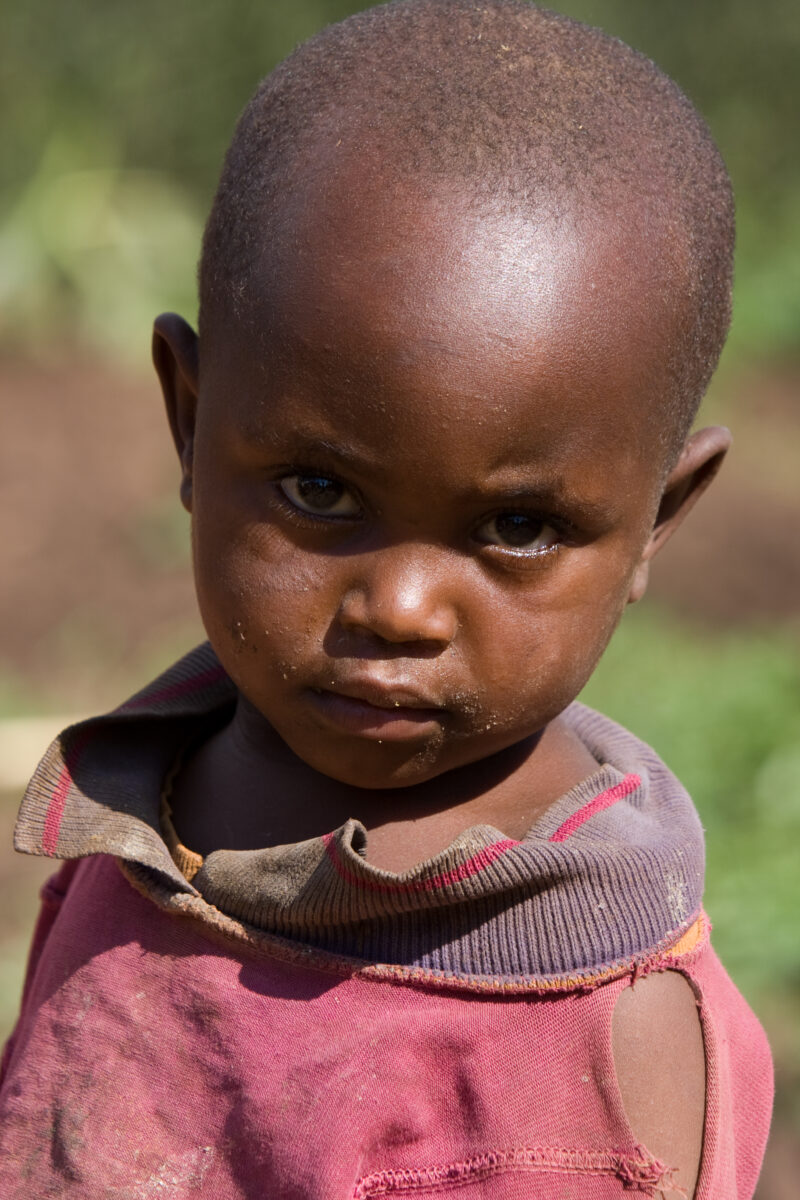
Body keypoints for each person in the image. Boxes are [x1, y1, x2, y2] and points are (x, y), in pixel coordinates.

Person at [0, 2, 773, 1196]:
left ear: (651, 525)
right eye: (319, 491)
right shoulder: (136, 800)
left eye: (518, 528)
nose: (401, 608)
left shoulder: (598, 1060)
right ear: (191, 424)